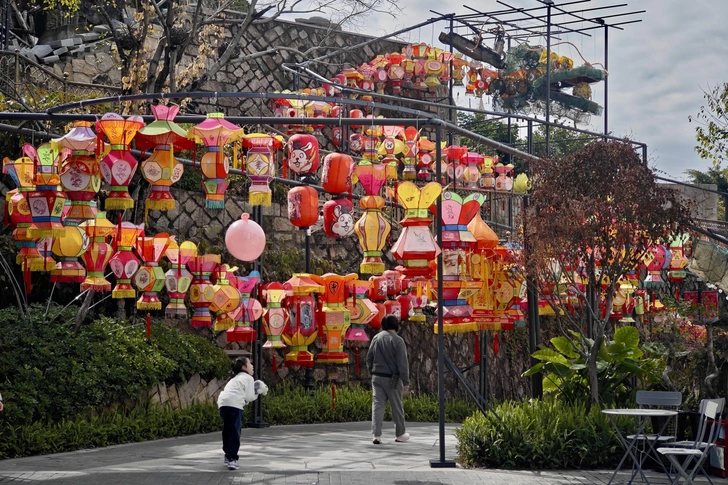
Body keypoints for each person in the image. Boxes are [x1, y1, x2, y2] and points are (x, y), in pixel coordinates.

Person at [217, 357, 268, 470]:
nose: (252, 366)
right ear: (244, 367)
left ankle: (227, 454)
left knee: (227, 429)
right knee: (235, 431)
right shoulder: (248, 378)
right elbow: (249, 397)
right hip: (235, 405)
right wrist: (258, 392)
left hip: (223, 403)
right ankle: (232, 459)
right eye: (250, 363)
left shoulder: (234, 379)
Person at [367, 314, 410, 445]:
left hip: (377, 376)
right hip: (393, 379)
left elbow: (369, 358)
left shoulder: (376, 338)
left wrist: (371, 371)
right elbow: (402, 363)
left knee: (378, 405)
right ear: (396, 326)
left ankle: (376, 434)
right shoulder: (398, 341)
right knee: (396, 406)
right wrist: (406, 381)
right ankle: (400, 433)